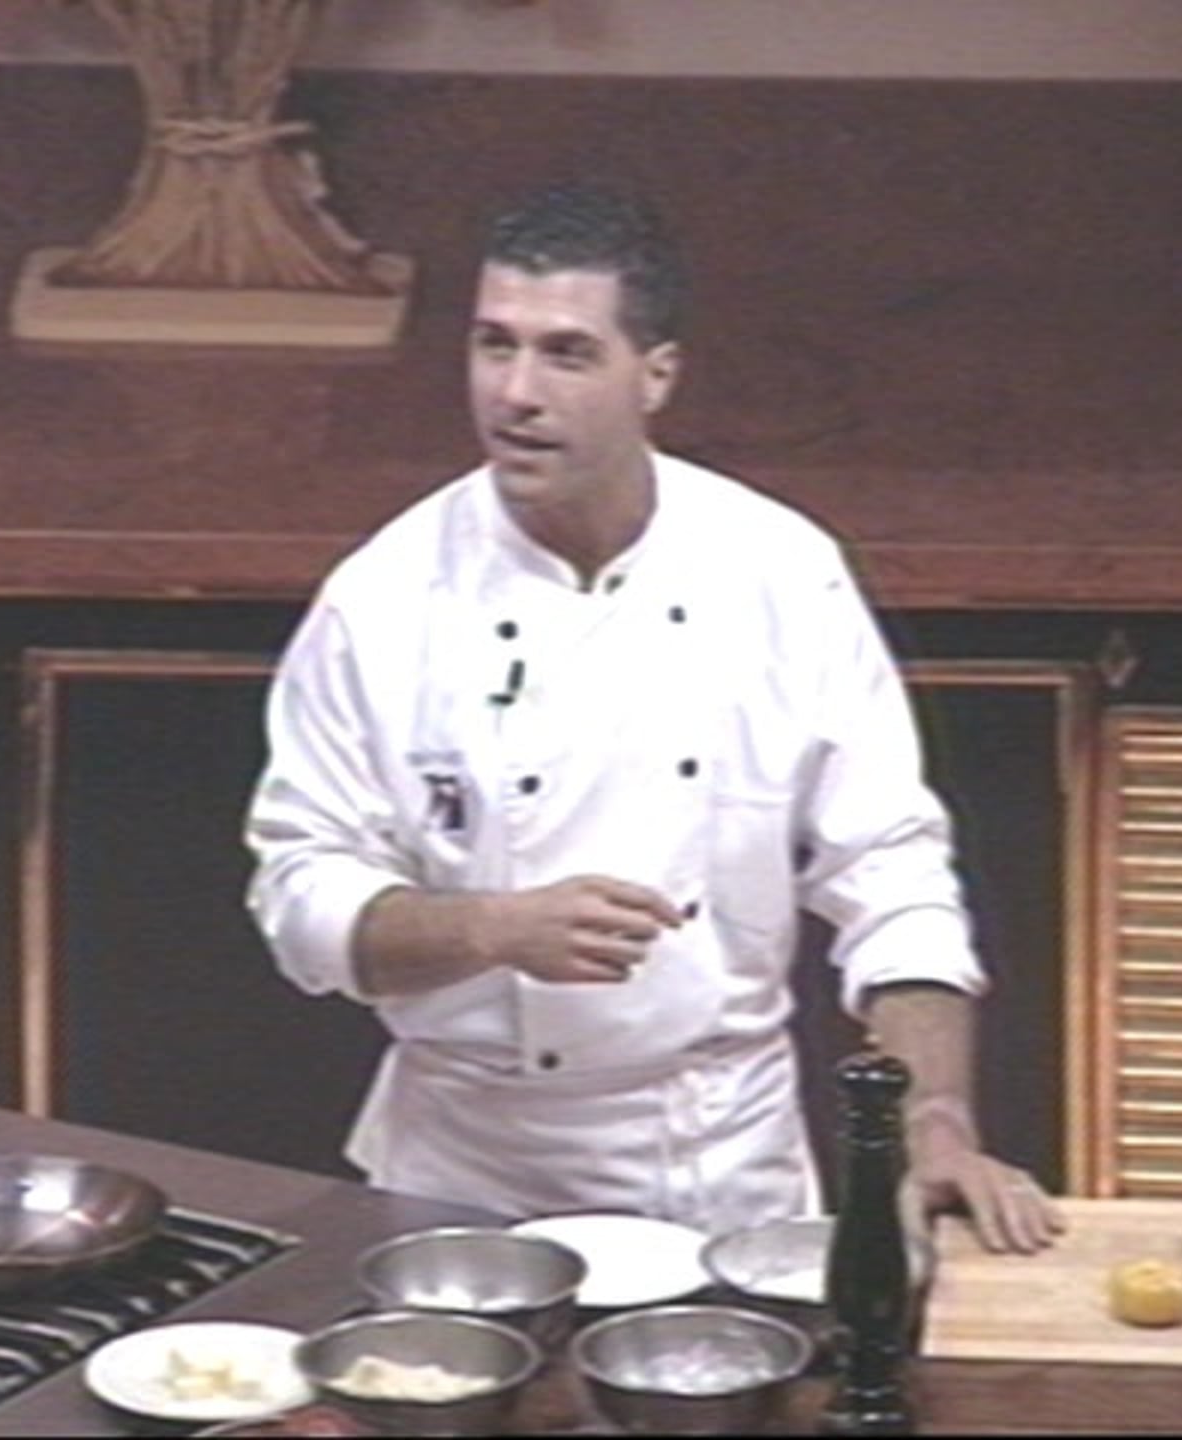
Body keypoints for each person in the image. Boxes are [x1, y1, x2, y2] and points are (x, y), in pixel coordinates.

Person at [244, 181, 1064, 1254]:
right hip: (459, 1175)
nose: (516, 393)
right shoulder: (385, 598)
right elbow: (300, 895)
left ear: (657, 376)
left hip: (721, 1170)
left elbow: (893, 878)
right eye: (495, 346)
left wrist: (939, 1125)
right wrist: (493, 926)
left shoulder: (777, 573)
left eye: (567, 354)